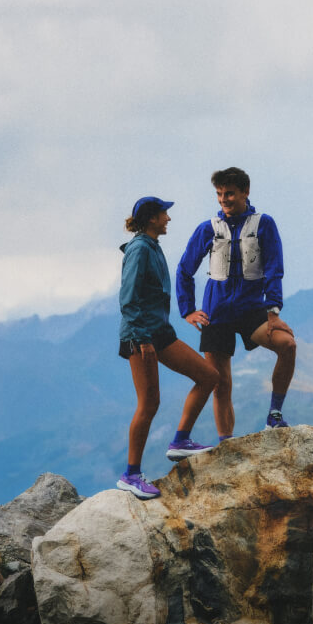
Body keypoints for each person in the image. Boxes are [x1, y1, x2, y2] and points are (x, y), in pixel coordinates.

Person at [176, 168, 296, 440]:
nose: (223, 199)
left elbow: (274, 267)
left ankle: (274, 414)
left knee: (287, 345)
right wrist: (188, 310)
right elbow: (184, 269)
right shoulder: (208, 228)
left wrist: (273, 310)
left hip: (251, 309)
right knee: (221, 384)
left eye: (229, 193)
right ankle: (226, 444)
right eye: (219, 194)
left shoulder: (263, 224)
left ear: (245, 192)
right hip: (216, 313)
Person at [117, 196, 219, 500]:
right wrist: (142, 338)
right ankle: (131, 475)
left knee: (208, 376)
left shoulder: (152, 246)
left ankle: (181, 441)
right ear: (152, 218)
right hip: (141, 337)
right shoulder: (139, 249)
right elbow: (128, 298)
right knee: (149, 404)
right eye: (164, 214)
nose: (168, 219)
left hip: (159, 333)